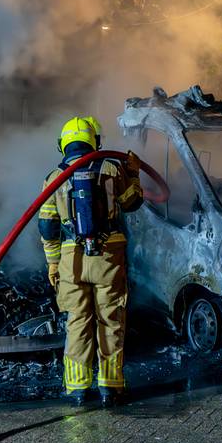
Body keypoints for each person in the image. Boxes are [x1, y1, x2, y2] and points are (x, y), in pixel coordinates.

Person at [37, 116, 143, 407]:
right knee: (110, 319)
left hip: (72, 259)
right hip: (109, 255)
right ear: (94, 140)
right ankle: (111, 387)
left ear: (63, 144)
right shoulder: (111, 168)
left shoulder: (53, 177)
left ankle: (78, 388)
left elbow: (47, 226)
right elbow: (132, 202)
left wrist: (54, 263)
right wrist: (133, 174)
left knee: (78, 321)